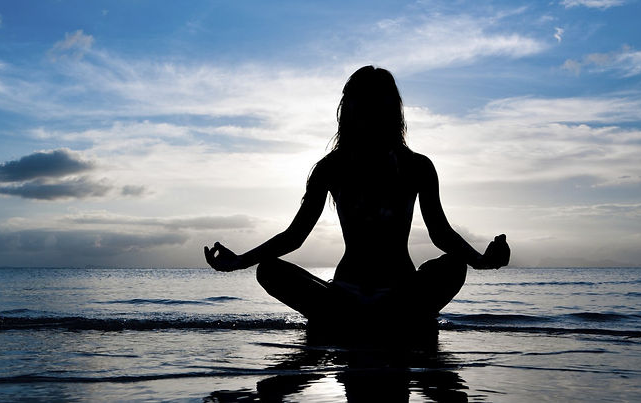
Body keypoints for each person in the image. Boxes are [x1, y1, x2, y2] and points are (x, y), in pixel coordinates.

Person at [204, 66, 509, 330]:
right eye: (365, 105)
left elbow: (441, 234)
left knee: (455, 264)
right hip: (347, 294)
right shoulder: (330, 168)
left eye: (379, 104)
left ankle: (368, 316)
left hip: (398, 292)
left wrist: (482, 261)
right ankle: (375, 317)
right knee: (269, 269)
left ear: (392, 110)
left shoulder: (417, 166)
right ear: (350, 111)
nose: (372, 113)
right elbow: (295, 236)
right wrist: (241, 261)